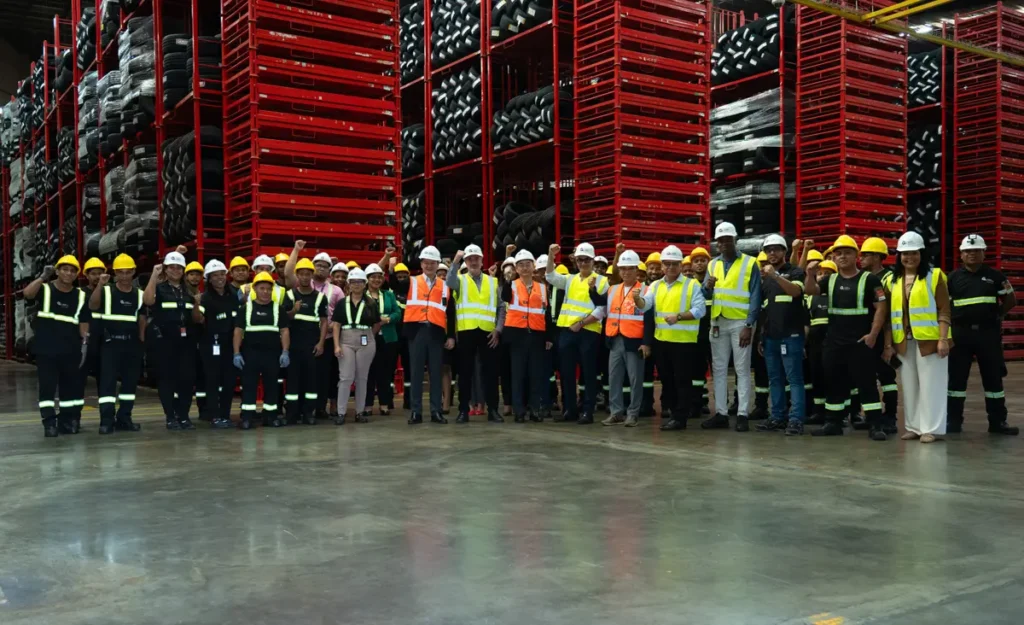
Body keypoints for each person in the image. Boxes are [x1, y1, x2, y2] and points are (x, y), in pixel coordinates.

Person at [804, 235, 889, 440]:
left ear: (856, 256)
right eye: (838, 253)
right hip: (834, 343)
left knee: (866, 383)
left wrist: (873, 335)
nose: (842, 256)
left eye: (847, 253)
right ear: (833, 257)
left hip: (860, 342)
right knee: (833, 382)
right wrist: (810, 274)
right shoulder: (829, 280)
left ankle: (875, 424)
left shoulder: (870, 279)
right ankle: (833, 423)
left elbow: (881, 307)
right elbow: (810, 290)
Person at [947, 234, 1018, 435]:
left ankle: (998, 422)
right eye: (968, 251)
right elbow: (943, 306)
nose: (972, 254)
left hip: (988, 334)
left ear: (984, 253)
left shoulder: (996, 277)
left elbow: (1011, 300)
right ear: (961, 254)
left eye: (976, 250)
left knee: (993, 379)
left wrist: (998, 315)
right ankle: (953, 422)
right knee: (956, 380)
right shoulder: (952, 278)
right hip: (960, 335)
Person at [888, 232, 951, 443]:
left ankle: (930, 429)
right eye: (905, 254)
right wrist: (889, 344)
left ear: (921, 254)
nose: (909, 258)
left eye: (914, 253)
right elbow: (888, 315)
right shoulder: (892, 280)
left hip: (931, 341)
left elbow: (944, 310)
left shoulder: (935, 276)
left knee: (932, 385)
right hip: (904, 341)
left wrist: (943, 339)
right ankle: (913, 427)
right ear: (899, 256)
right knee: (910, 386)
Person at [639, 245, 706, 430]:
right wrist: (638, 299)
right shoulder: (655, 285)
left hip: (684, 342)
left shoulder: (691, 285)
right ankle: (674, 413)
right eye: (667, 264)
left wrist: (679, 317)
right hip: (662, 341)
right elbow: (645, 305)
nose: (670, 267)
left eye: (674, 264)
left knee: (682, 381)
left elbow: (700, 310)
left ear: (680, 265)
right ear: (662, 266)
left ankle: (680, 417)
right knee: (667, 380)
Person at [703, 222, 761, 432]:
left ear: (735, 240)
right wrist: (707, 287)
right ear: (717, 243)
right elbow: (705, 293)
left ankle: (742, 414)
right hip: (718, 322)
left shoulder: (750, 263)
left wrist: (749, 325)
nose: (724, 243)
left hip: (740, 323)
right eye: (720, 240)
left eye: (728, 239)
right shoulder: (712, 264)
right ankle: (721, 413)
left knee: (742, 369)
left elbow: (755, 296)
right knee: (718, 369)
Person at [25, 256, 91, 437]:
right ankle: (49, 423)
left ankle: (65, 421)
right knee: (47, 387)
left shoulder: (81, 296)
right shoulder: (45, 289)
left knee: (68, 389)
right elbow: (28, 294)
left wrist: (85, 344)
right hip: (46, 350)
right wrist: (42, 276)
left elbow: (84, 322)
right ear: (57, 271)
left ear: (76, 274)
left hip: (70, 350)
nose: (68, 273)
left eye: (72, 271)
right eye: (64, 269)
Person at [546, 242, 609, 424]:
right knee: (566, 373)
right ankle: (569, 410)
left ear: (593, 261)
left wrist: (581, 323)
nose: (583, 263)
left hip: (589, 331)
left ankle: (587, 411)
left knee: (588, 373)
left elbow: (602, 310)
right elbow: (550, 276)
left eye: (586, 260)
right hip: (568, 331)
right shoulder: (570, 279)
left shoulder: (602, 281)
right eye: (580, 260)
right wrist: (551, 255)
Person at [755, 235, 807, 435]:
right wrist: (761, 336)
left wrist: (775, 276)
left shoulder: (796, 272)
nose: (772, 253)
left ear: (785, 251)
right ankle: (777, 417)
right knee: (775, 379)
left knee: (794, 379)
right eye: (768, 250)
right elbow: (764, 310)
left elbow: (796, 292)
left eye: (776, 249)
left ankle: (796, 420)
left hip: (791, 335)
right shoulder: (765, 280)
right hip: (771, 337)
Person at [88, 253, 146, 435]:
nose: (125, 276)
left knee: (130, 384)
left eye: (128, 272)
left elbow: (142, 318)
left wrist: (142, 341)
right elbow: (93, 305)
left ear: (134, 272)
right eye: (121, 272)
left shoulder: (140, 294)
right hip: (110, 345)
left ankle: (124, 418)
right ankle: (106, 421)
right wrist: (100, 285)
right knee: (107, 384)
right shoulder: (106, 291)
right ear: (115, 273)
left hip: (132, 345)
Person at [285, 242, 344, 420]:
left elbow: (333, 317)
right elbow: (288, 273)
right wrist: (296, 249)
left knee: (319, 377)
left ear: (329, 270)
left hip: (321, 341)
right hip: (296, 342)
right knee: (295, 378)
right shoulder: (294, 290)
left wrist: (323, 340)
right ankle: (294, 412)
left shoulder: (334, 291)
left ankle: (315, 410)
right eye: (318, 265)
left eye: (325, 266)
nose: (321, 268)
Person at [447, 244, 503, 423]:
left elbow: (501, 307)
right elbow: (449, 282)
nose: (473, 262)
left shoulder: (493, 282)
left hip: (488, 333)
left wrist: (498, 329)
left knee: (491, 373)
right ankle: (463, 410)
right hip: (466, 332)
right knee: (465, 373)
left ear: (482, 261)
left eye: (476, 258)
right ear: (465, 262)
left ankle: (493, 409)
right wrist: (455, 261)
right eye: (469, 259)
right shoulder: (459, 280)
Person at [144, 251, 199, 431]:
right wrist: (154, 275)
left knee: (187, 380)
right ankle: (170, 416)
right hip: (165, 341)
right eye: (171, 267)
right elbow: (148, 300)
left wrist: (197, 303)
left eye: (179, 268)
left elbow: (196, 317)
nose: (175, 270)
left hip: (187, 342)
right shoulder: (159, 288)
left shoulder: (189, 291)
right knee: (167, 379)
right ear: (165, 270)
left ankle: (183, 416)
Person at [597, 250, 649, 427]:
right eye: (623, 269)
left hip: (634, 341)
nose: (626, 272)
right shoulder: (613, 289)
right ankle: (616, 412)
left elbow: (649, 319)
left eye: (630, 268)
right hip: (615, 339)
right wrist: (591, 289)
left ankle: (633, 414)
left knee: (635, 379)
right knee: (614, 378)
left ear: (636, 270)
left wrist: (646, 343)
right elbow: (599, 301)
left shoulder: (645, 290)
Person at [234, 272, 290, 429]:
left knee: (272, 386)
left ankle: (270, 417)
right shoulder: (245, 308)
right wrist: (236, 353)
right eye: (262, 288)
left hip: (272, 354)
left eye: (268, 289)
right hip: (250, 354)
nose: (265, 292)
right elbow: (238, 331)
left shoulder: (278, 309)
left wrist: (285, 351)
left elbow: (284, 331)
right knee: (249, 385)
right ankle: (247, 417)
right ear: (255, 289)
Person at [501, 249, 551, 422]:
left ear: (533, 266)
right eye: (521, 265)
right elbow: (504, 297)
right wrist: (507, 280)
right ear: (516, 268)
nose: (524, 268)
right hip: (517, 336)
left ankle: (535, 409)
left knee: (535, 374)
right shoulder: (512, 285)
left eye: (527, 264)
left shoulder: (542, 288)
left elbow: (546, 314)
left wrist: (548, 337)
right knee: (518, 375)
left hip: (536, 336)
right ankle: (519, 411)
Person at [404, 246, 451, 424]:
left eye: (432, 263)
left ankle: (436, 411)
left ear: (438, 264)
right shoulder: (412, 281)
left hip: (436, 332)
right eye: (426, 263)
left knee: (436, 373)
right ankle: (416, 412)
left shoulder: (445, 285)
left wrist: (450, 335)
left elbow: (450, 312)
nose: (429, 266)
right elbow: (394, 283)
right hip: (417, 331)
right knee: (416, 373)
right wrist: (390, 265)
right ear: (421, 264)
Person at [192, 259, 239, 429]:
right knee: (212, 381)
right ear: (209, 279)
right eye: (215, 275)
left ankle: (225, 415)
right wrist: (196, 304)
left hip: (230, 345)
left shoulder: (233, 296)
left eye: (222, 274)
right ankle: (214, 416)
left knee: (229, 381)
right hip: (211, 345)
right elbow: (198, 319)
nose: (220, 278)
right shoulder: (205, 298)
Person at [859, 237, 899, 433]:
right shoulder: (863, 277)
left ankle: (890, 417)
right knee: (867, 375)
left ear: (877, 256)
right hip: (868, 333)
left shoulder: (888, 279)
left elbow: (888, 313)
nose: (861, 258)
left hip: (883, 335)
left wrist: (888, 345)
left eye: (865, 255)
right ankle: (872, 416)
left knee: (887, 377)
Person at [333, 268, 381, 424]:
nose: (356, 285)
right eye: (353, 282)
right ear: (349, 284)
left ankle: (359, 412)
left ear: (364, 284)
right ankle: (341, 412)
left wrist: (369, 338)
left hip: (365, 340)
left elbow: (376, 323)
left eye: (359, 282)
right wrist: (336, 345)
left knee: (362, 378)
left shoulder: (371, 303)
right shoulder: (342, 303)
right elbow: (336, 325)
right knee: (345, 377)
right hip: (346, 340)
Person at [284, 258, 328, 425]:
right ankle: (292, 414)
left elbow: (324, 321)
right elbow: (284, 320)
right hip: (293, 346)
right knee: (293, 381)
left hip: (312, 346)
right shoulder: (290, 295)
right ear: (297, 275)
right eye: (301, 274)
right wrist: (293, 311)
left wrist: (321, 343)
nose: (304, 277)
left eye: (307, 274)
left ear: (311, 275)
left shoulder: (320, 297)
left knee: (311, 381)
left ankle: (309, 413)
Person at [365, 263, 403, 416]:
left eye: (379, 277)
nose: (376, 280)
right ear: (367, 279)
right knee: (368, 372)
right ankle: (367, 405)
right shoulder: (362, 295)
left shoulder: (388, 295)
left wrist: (387, 319)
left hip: (388, 338)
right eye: (373, 277)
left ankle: (384, 404)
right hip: (368, 337)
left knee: (385, 372)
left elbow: (397, 312)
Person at [805, 259, 835, 425]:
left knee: (834, 377)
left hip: (833, 341)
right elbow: (806, 322)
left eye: (828, 274)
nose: (823, 276)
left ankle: (838, 413)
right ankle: (818, 412)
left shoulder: (837, 295)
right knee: (816, 376)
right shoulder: (810, 298)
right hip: (815, 343)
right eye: (821, 273)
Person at [690, 246, 713, 415]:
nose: (699, 264)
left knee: (718, 370)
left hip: (715, 331)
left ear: (708, 263)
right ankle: (697, 402)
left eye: (703, 261)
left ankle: (722, 404)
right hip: (696, 333)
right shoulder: (689, 285)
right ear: (691, 265)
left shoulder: (715, 282)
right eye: (696, 261)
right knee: (697, 368)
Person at [183, 261, 208, 415]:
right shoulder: (181, 294)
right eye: (191, 274)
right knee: (186, 376)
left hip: (200, 339)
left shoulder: (203, 295)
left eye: (197, 275)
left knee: (202, 375)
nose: (194, 277)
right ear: (186, 276)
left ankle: (203, 408)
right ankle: (180, 411)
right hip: (184, 341)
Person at [81, 257, 106, 398]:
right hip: (86, 341)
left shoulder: (109, 292)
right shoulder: (81, 293)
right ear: (87, 275)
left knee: (104, 379)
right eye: (93, 274)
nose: (97, 277)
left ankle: (106, 410)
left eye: (100, 273)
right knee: (79, 377)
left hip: (104, 341)